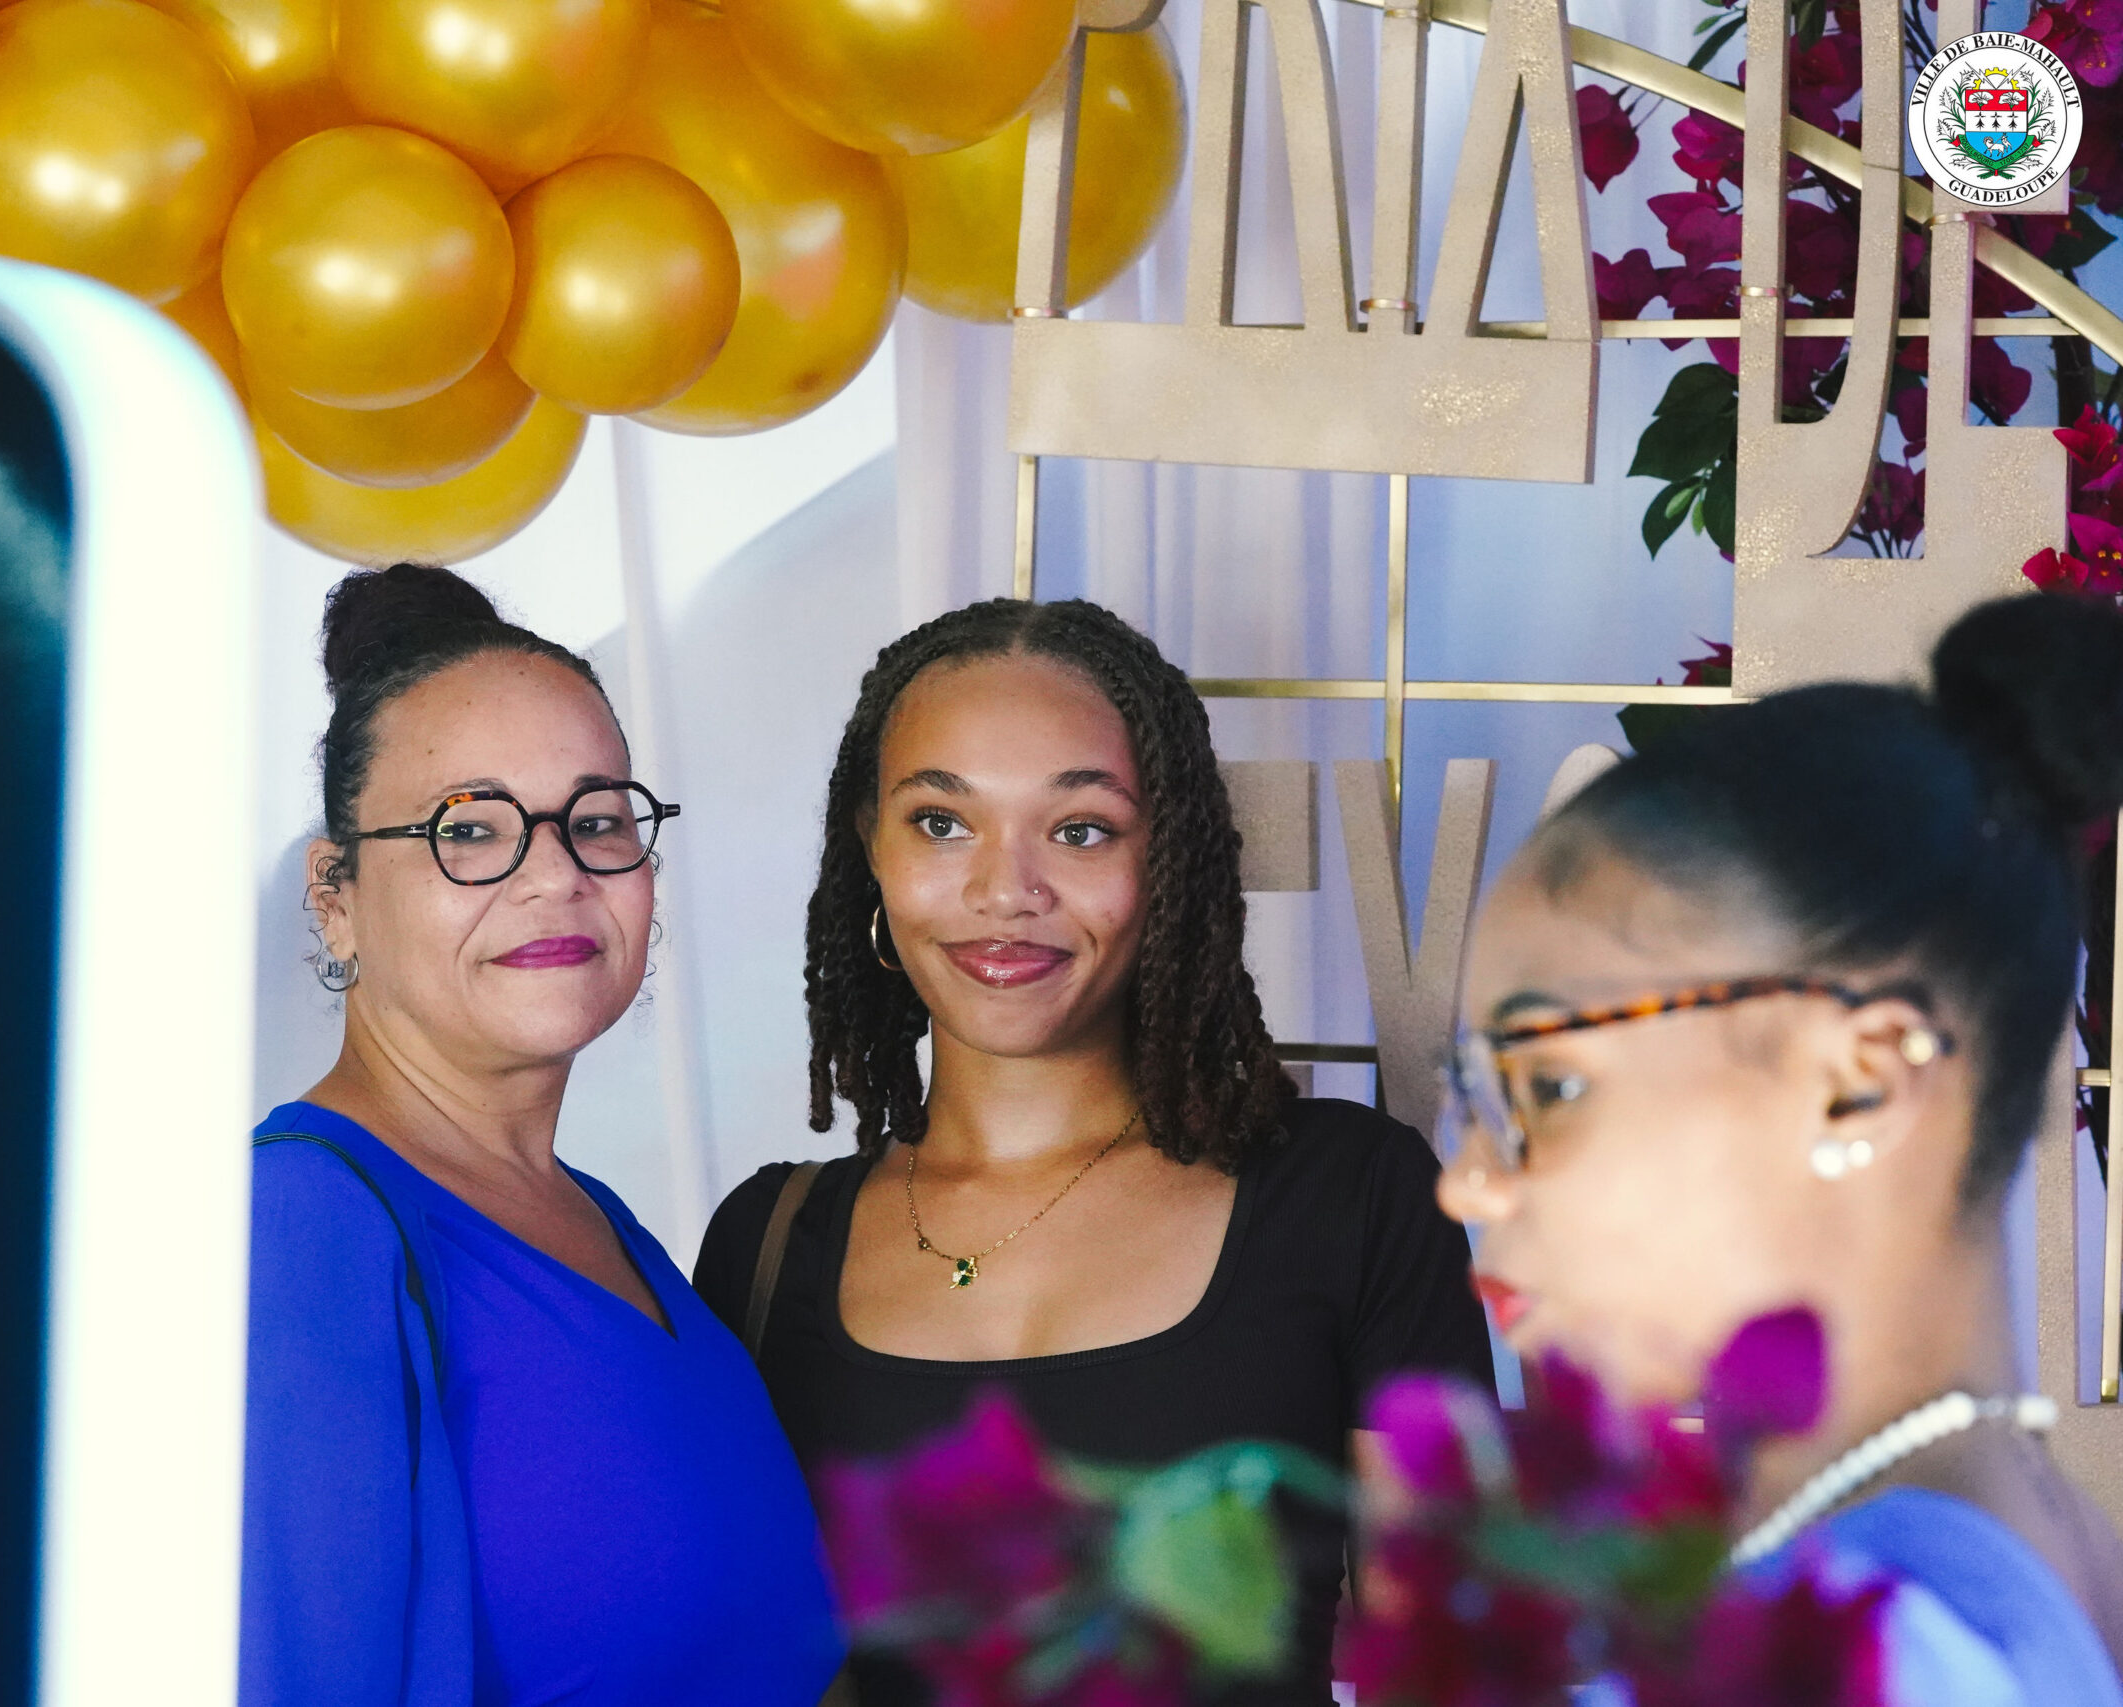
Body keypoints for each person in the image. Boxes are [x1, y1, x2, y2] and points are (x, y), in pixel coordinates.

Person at [695, 597, 1495, 1706]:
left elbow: (1452, 1664)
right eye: (940, 821)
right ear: (869, 849)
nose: (1005, 891)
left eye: (1080, 830)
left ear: (1167, 863)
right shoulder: (765, 1244)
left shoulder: (1355, 1195)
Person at [1439, 591, 2123, 1703]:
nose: (1466, 1182)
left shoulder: (1867, 1647)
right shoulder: (2029, 1553)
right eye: (1474, 1094)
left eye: (1548, 1086)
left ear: (1860, 1084)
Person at [241, 564, 842, 1707]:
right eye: (470, 830)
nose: (556, 876)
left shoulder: (605, 1226)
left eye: (596, 821)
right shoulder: (302, 1231)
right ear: (336, 895)